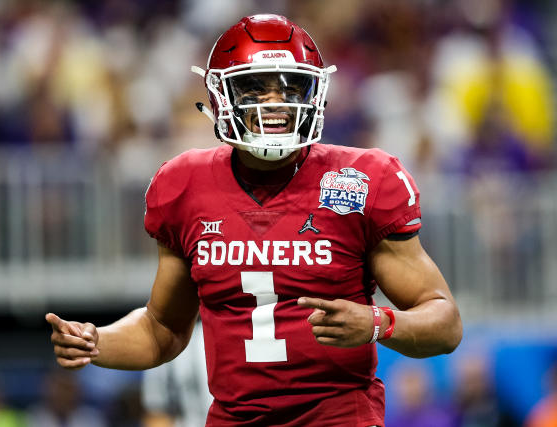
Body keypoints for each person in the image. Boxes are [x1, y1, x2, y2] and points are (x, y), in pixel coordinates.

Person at [46, 14, 462, 426]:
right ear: (221, 96)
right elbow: (162, 330)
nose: (275, 102)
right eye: (255, 88)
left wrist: (377, 323)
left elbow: (445, 323)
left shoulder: (360, 180)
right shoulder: (183, 185)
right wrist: (98, 341)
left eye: (289, 87)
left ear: (315, 92)